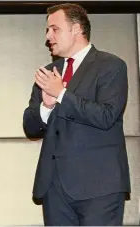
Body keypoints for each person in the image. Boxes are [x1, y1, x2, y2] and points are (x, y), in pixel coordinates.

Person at [23, 3, 131, 225]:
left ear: (76, 29)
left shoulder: (111, 66)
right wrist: (47, 106)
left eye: (54, 29)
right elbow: (30, 126)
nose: (48, 36)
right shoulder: (49, 72)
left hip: (99, 186)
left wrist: (62, 94)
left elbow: (106, 116)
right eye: (47, 30)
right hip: (54, 188)